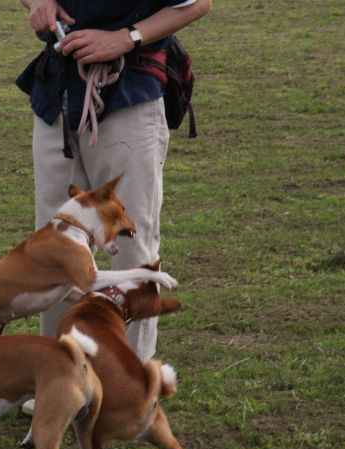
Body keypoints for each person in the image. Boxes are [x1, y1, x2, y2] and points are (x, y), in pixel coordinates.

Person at [17, 0, 211, 361]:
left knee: (131, 247)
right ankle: (62, 377)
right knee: (55, 248)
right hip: (58, 97)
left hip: (127, 95)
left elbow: (196, 3)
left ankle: (131, 381)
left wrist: (126, 37)